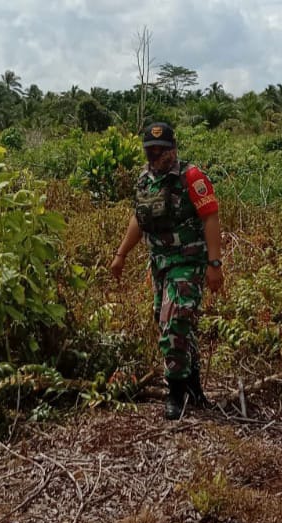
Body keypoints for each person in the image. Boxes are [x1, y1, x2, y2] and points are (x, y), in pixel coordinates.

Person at [110, 122, 224, 420]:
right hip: (159, 264)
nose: (155, 156)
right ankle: (193, 387)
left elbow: (211, 219)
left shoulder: (192, 177)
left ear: (173, 149)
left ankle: (175, 395)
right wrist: (121, 254)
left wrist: (214, 265)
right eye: (150, 150)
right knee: (172, 324)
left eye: (161, 150)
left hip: (188, 263)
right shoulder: (145, 180)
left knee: (174, 323)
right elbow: (139, 219)